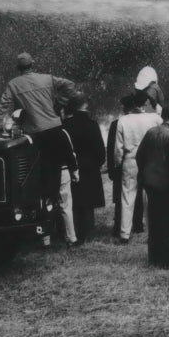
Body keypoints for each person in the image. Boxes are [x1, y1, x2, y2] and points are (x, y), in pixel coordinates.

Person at [0, 53, 79, 247]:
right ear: (33, 64)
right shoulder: (48, 78)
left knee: (41, 185)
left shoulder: (14, 84)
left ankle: (45, 237)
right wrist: (60, 104)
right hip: (55, 130)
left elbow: (3, 106)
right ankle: (69, 235)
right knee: (60, 182)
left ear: (18, 68)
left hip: (36, 136)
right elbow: (71, 86)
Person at [136, 103, 169, 267]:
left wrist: (143, 173)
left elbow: (139, 155)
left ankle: (154, 257)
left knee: (154, 220)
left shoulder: (151, 132)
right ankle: (166, 258)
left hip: (150, 183)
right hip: (166, 185)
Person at [113, 91, 163, 243]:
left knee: (128, 197)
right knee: (150, 198)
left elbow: (118, 148)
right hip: (150, 161)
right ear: (145, 103)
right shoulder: (155, 119)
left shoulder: (123, 120)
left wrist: (117, 163)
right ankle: (152, 233)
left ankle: (124, 234)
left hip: (130, 160)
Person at [63, 91, 106, 244]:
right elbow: (100, 150)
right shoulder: (92, 125)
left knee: (72, 200)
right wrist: (98, 162)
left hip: (71, 166)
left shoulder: (66, 125)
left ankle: (72, 230)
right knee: (88, 201)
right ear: (85, 105)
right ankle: (87, 230)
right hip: (90, 166)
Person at [107, 94, 147, 239]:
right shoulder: (147, 121)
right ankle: (138, 224)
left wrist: (115, 166)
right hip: (145, 162)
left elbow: (114, 148)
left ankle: (122, 229)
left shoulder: (118, 123)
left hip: (127, 162)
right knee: (142, 194)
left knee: (124, 197)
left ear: (125, 107)